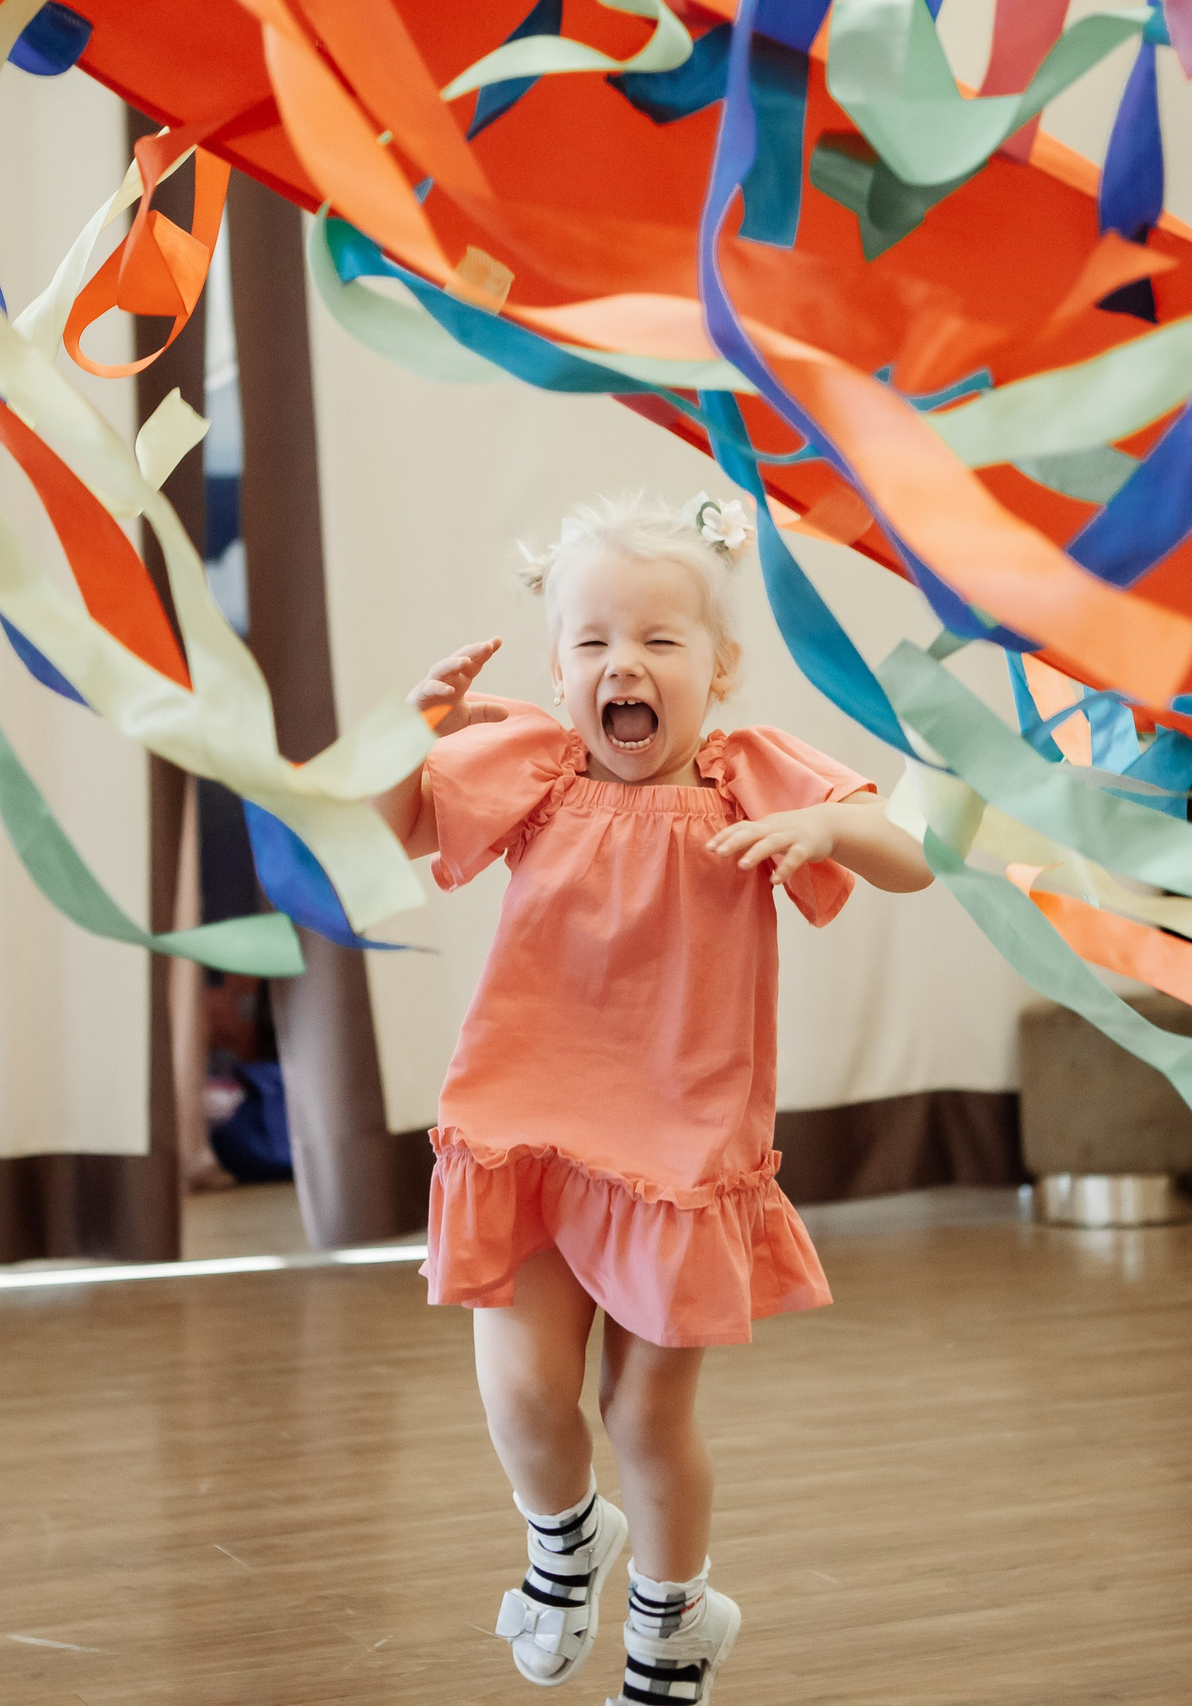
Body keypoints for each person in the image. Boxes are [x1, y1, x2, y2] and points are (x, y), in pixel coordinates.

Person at [372, 492, 933, 1704]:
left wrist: (822, 830)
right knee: (522, 1392)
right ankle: (567, 1538)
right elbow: (391, 821)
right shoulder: (530, 763)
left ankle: (674, 1625)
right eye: (591, 643)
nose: (623, 665)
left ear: (720, 668)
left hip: (678, 1144)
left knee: (642, 1412)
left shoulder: (752, 777)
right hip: (527, 1121)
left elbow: (910, 855)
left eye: (660, 642)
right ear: (556, 668)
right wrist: (407, 725)